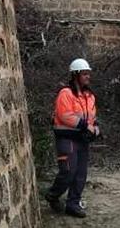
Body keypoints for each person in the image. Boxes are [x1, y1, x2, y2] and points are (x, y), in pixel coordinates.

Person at [44, 58, 100, 218]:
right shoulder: (65, 94)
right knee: (68, 171)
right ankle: (53, 195)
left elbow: (92, 116)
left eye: (88, 73)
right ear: (75, 75)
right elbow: (64, 115)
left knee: (80, 174)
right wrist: (84, 125)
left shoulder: (89, 96)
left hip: (82, 139)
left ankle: (73, 204)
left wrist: (96, 127)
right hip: (67, 138)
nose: (88, 76)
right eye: (84, 73)